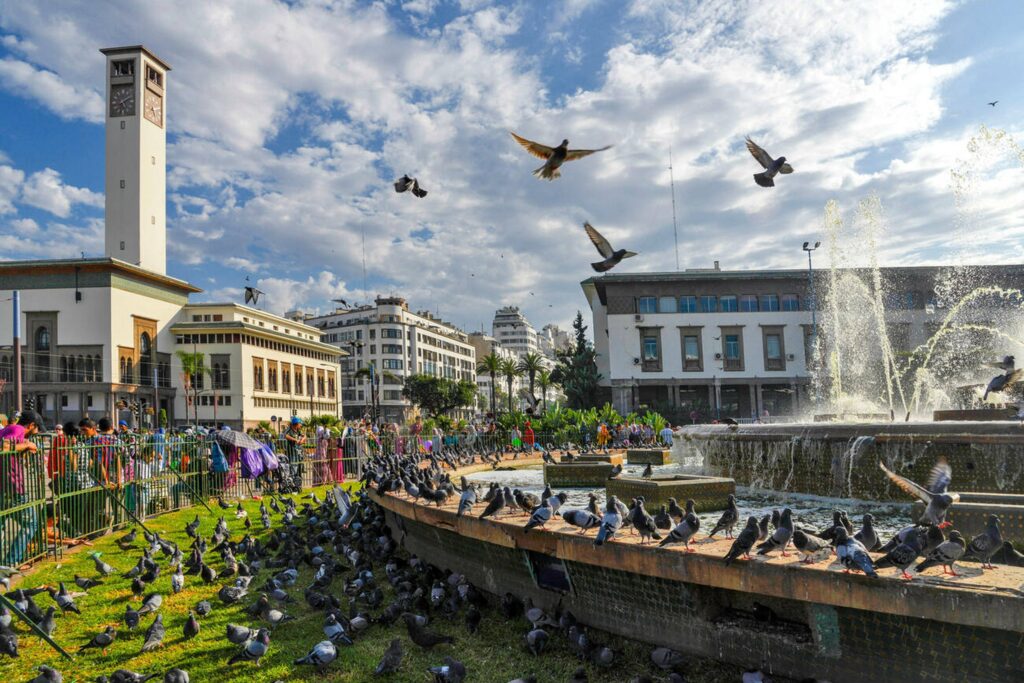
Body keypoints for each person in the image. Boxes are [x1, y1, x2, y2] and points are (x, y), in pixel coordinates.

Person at [1, 410, 44, 565]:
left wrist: (23, 450)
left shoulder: (7, 429)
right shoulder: (18, 429)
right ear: (31, 425)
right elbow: (4, 447)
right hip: (12, 487)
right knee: (31, 523)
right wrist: (27, 444)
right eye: (36, 429)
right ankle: (10, 562)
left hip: (4, 486)